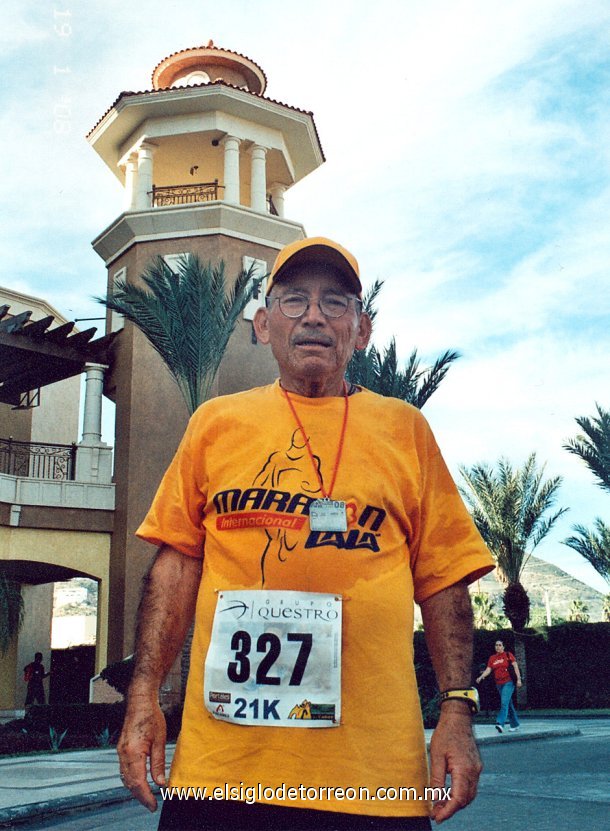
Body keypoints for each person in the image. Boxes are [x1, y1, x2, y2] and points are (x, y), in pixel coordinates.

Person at [117, 237, 495, 830]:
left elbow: (444, 580)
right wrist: (144, 695)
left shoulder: (406, 430)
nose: (314, 316)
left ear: (361, 330)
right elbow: (176, 566)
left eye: (335, 302)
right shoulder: (215, 424)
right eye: (294, 301)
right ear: (264, 324)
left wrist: (457, 709)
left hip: (374, 781)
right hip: (224, 773)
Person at [476, 639, 522, 733]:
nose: (498, 647)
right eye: (496, 645)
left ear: (503, 647)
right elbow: (488, 670)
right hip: (499, 684)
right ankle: (515, 724)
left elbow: (515, 667)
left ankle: (500, 723)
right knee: (508, 704)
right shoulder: (492, 658)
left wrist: (518, 679)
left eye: (500, 645)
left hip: (509, 682)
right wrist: (481, 677)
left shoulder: (508, 655)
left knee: (504, 703)